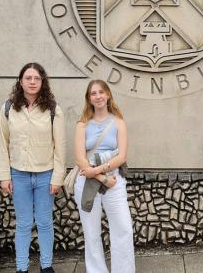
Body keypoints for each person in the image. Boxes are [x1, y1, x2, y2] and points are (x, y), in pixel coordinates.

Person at [0, 62, 66, 273]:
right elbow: (2, 143)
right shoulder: (9, 108)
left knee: (45, 223)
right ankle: (21, 267)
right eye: (28, 78)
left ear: (42, 81)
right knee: (24, 224)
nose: (32, 82)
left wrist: (57, 178)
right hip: (18, 174)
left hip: (46, 175)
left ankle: (46, 266)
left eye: (37, 78)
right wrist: (4, 176)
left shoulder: (53, 109)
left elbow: (60, 146)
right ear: (21, 81)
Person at [73, 79, 135, 273]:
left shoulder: (119, 123)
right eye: (93, 93)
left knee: (123, 229)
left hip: (115, 182)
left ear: (108, 95)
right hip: (87, 182)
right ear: (89, 98)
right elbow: (79, 158)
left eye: (101, 92)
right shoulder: (82, 125)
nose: (98, 96)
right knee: (91, 233)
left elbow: (122, 156)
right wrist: (101, 177)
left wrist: (101, 172)